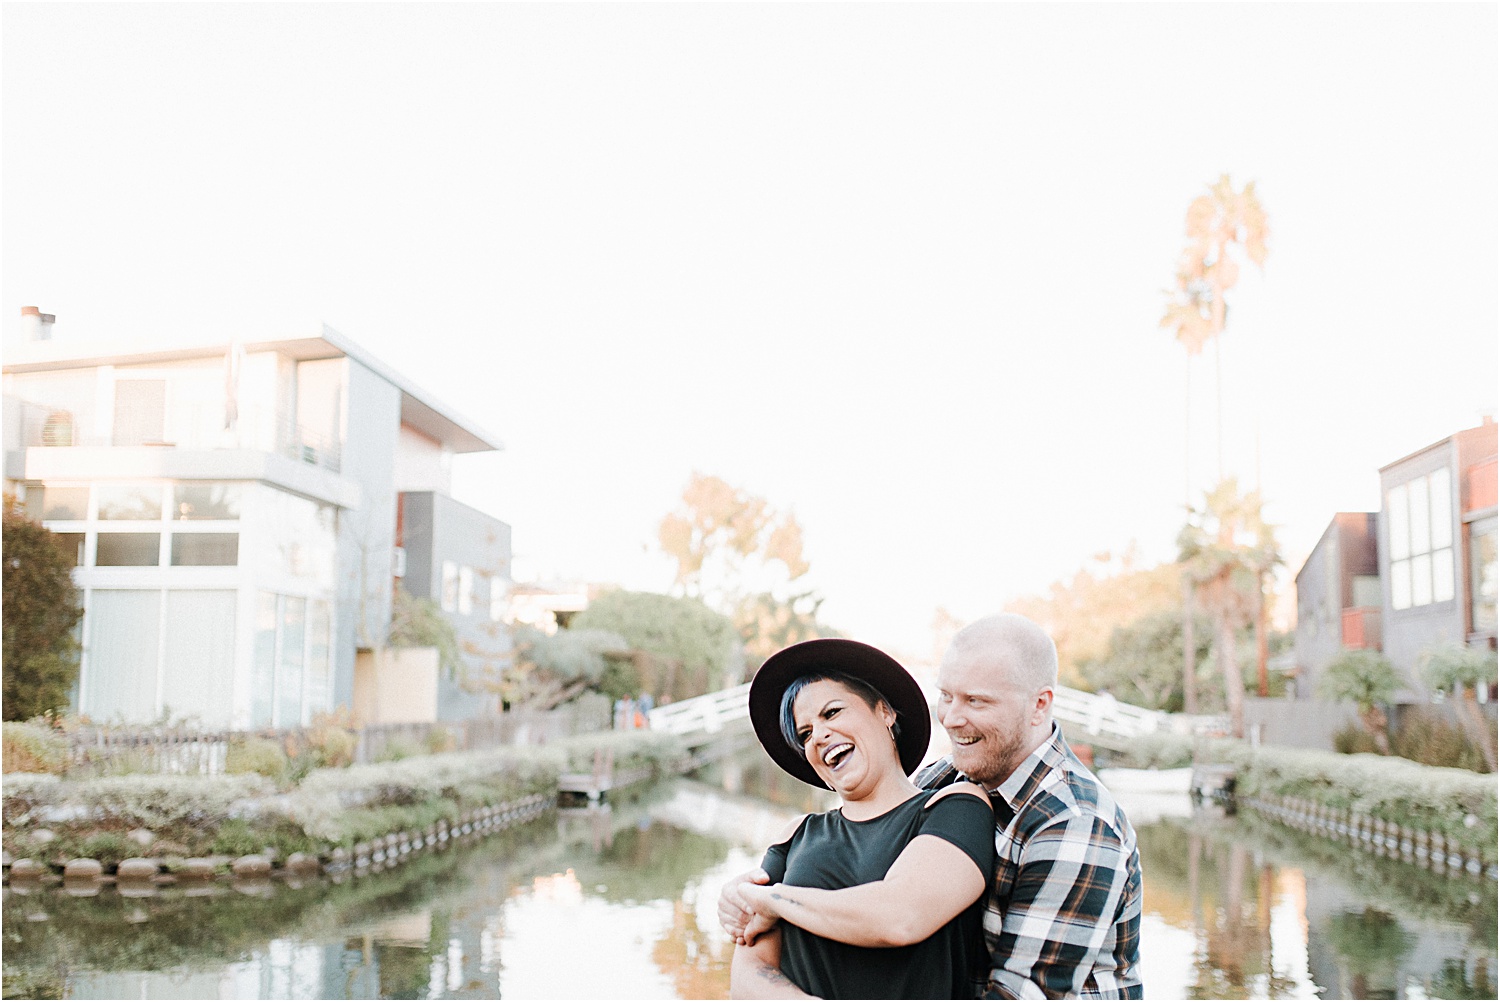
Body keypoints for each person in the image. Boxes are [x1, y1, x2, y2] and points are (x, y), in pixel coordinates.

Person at [722, 614, 1144, 1000]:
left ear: (1038, 706)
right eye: (946, 696)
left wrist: (774, 900)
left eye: (976, 701)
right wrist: (743, 896)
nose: (952, 718)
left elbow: (1016, 993)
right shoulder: (946, 778)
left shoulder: (1073, 821)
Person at [729, 638, 996, 1000]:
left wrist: (774, 901)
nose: (819, 736)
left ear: (884, 712)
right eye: (805, 734)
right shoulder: (797, 835)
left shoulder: (956, 806)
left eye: (832, 713)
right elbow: (749, 972)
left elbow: (902, 917)